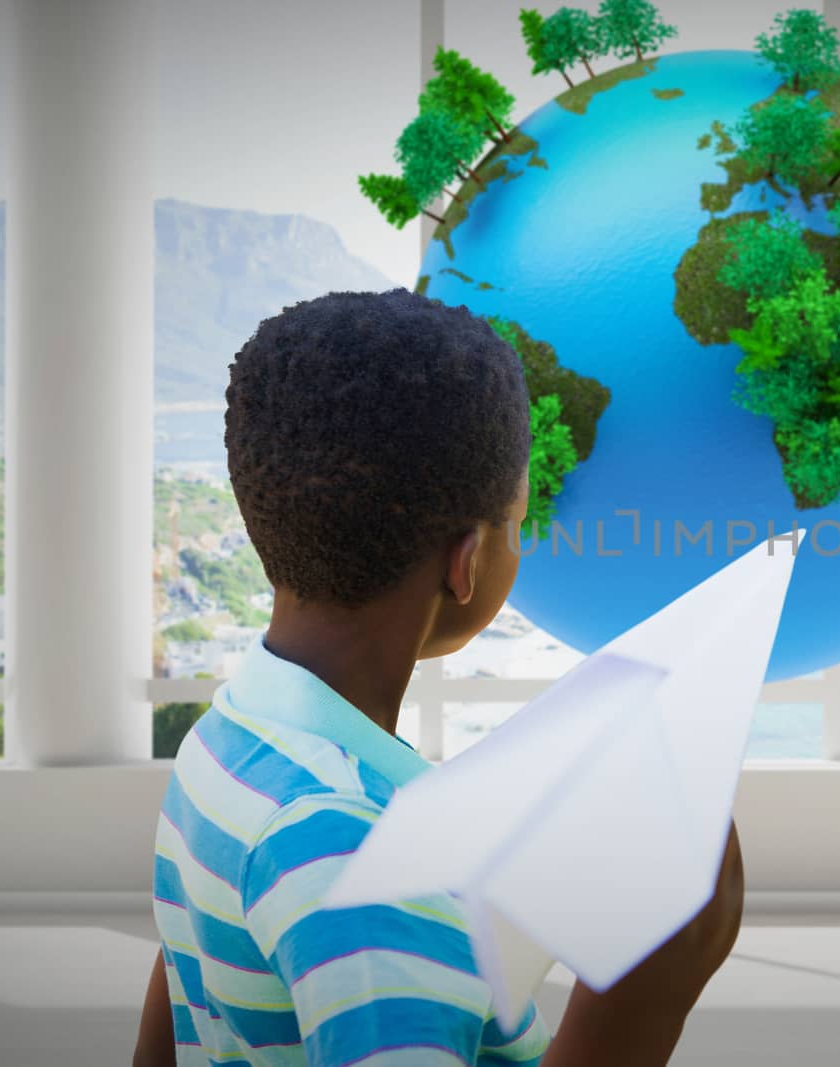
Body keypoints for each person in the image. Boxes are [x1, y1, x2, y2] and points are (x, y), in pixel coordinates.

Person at [134, 289, 744, 1066]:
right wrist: (641, 999)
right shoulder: (369, 870)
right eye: (516, 522)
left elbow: (185, 1009)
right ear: (465, 563)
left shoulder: (222, 745)